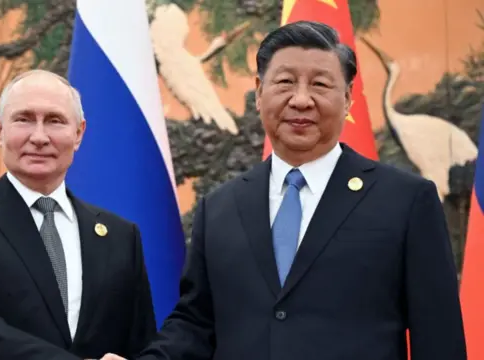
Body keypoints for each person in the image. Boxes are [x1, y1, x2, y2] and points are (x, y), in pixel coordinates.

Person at [101, 20, 467, 360]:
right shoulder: (221, 207)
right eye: (285, 82)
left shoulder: (405, 200)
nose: (301, 100)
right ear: (260, 93)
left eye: (321, 85)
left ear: (348, 98)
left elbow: (438, 336)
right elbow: (196, 323)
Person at [0, 69, 156, 360]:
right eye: (24, 119)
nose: (39, 137)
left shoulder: (120, 236)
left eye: (55, 121)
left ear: (79, 133)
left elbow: (140, 342)